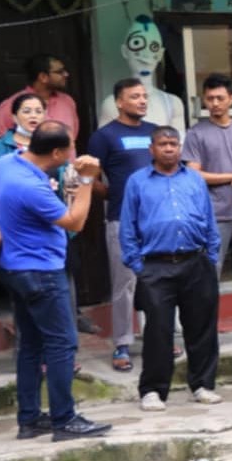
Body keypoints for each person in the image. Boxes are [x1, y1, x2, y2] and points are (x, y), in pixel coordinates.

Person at [0, 123, 111, 441]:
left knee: (30, 344)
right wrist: (86, 180)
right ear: (56, 152)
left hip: (14, 267)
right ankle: (64, 419)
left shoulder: (6, 164)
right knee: (62, 344)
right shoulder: (30, 186)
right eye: (69, 149)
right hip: (41, 270)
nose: (72, 154)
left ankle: (29, 419)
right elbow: (75, 221)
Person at [120, 127, 223, 411]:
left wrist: (211, 256)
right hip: (156, 266)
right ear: (151, 149)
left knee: (202, 328)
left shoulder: (194, 180)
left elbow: (209, 218)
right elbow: (127, 225)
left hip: (196, 262)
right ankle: (153, 390)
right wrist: (137, 264)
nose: (169, 149)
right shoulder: (137, 182)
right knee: (158, 330)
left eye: (173, 144)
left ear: (180, 148)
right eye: (163, 144)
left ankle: (202, 384)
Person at [91, 79, 159, 372]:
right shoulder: (104, 136)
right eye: (135, 97)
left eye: (144, 96)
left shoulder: (154, 132)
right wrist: (116, 194)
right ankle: (122, 343)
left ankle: (159, 338)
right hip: (122, 219)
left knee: (158, 281)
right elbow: (90, 178)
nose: (142, 101)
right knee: (124, 284)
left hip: (157, 220)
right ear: (119, 102)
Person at [183, 74, 232, 283]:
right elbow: (193, 174)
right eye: (210, 99)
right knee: (210, 276)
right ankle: (209, 318)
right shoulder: (195, 133)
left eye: (220, 98)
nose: (215, 103)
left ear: (231, 99)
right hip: (213, 215)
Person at [0, 54, 80, 140]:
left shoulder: (67, 101)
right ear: (43, 77)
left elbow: (72, 137)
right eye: (60, 72)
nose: (66, 74)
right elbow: (3, 144)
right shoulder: (11, 105)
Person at [0, 91, 42, 186]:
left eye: (39, 112)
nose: (33, 115)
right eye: (27, 111)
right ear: (14, 117)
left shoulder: (52, 146)